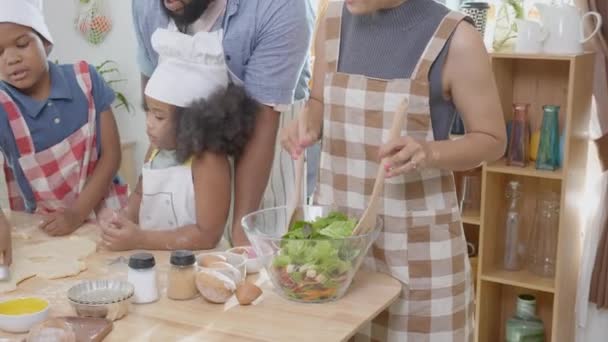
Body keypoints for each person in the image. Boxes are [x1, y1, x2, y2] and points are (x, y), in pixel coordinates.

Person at [281, 0, 507, 340]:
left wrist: (429, 151)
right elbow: (319, 102)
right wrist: (309, 123)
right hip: (338, 251)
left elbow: (492, 140)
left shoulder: (456, 38)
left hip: (419, 260)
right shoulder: (332, 21)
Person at [132, 0, 314, 246]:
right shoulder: (146, 6)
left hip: (263, 144)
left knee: (254, 254)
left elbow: (262, 121)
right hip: (179, 143)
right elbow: (156, 100)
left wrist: (243, 229)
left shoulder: (278, 6)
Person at [100, 28, 257, 251]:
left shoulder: (208, 161)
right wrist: (122, 219)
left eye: (159, 116)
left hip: (196, 266)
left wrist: (140, 239)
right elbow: (139, 195)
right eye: (148, 111)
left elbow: (207, 235)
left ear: (191, 120)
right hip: (153, 257)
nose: (149, 123)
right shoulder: (155, 149)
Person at [0, 0, 126, 237]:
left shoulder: (85, 81)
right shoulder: (3, 108)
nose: (11, 58)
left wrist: (76, 214)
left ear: (46, 43)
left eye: (22, 44)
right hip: (46, 228)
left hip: (108, 214)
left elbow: (111, 155)